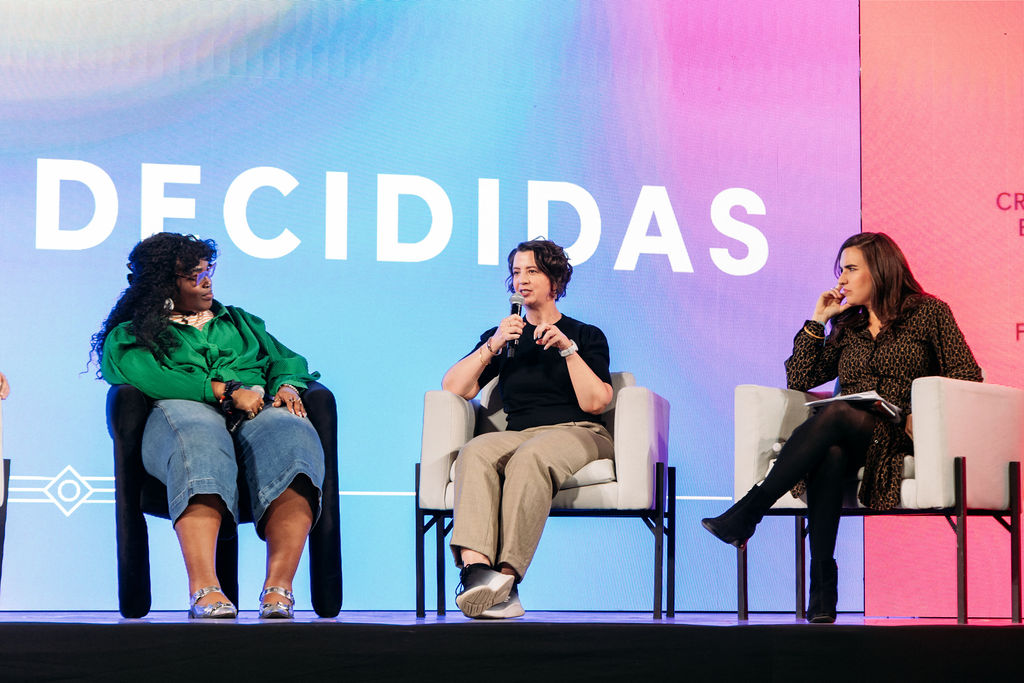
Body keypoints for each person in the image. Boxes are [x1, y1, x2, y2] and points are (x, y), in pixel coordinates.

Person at [702, 232, 982, 623]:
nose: (842, 280)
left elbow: (968, 376)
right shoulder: (848, 325)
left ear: (880, 270)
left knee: (831, 415)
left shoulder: (928, 313)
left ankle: (750, 512)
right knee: (830, 448)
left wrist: (925, 412)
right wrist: (818, 321)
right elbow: (799, 377)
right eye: (841, 271)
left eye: (851, 269)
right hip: (845, 434)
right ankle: (822, 587)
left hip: (898, 433)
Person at [91, 233, 325, 619]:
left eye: (207, 271)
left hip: (253, 414)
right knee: (199, 435)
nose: (207, 281)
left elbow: (286, 358)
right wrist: (225, 390)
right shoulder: (132, 334)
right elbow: (147, 377)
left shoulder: (238, 321)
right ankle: (205, 589)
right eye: (193, 275)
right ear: (164, 283)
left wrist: (286, 383)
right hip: (175, 421)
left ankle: (278, 588)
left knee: (293, 435)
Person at [441, 238, 614, 619]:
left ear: (555, 280)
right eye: (517, 272)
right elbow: (454, 387)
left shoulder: (585, 335)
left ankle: (507, 580)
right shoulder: (507, 336)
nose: (522, 279)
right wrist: (493, 345)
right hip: (521, 434)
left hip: (579, 430)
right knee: (475, 451)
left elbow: (596, 402)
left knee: (531, 456)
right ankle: (476, 572)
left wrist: (568, 349)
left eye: (532, 271)